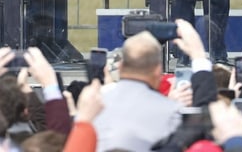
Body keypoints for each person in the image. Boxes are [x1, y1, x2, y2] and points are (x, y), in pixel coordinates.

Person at [91, 19, 217, 152]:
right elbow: (203, 127)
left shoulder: (92, 104)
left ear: (120, 66)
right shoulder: (171, 113)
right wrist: (198, 55)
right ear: (158, 71)